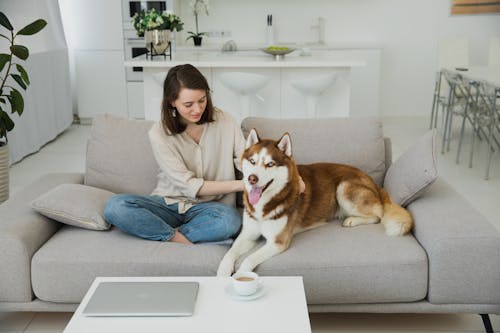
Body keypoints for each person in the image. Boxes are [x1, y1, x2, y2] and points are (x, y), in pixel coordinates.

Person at [104, 64, 246, 244]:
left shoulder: (225, 121)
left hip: (211, 209)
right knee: (115, 206)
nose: (197, 109)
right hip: (168, 205)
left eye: (202, 100)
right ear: (172, 102)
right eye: (188, 104)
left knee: (230, 221)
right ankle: (180, 237)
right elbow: (189, 186)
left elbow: (247, 159)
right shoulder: (159, 133)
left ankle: (165, 234)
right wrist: (242, 185)